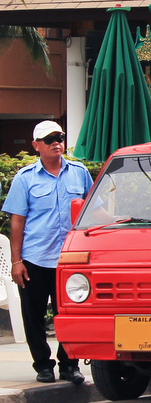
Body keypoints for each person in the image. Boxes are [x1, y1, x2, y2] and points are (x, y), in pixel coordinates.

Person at [1, 121, 93, 384]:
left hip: (70, 259)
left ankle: (69, 365)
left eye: (60, 137)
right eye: (49, 138)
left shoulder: (79, 172)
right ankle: (42, 365)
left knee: (71, 314)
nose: (56, 143)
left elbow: (91, 209)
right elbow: (17, 221)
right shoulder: (25, 177)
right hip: (36, 258)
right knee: (33, 315)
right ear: (36, 145)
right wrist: (16, 261)